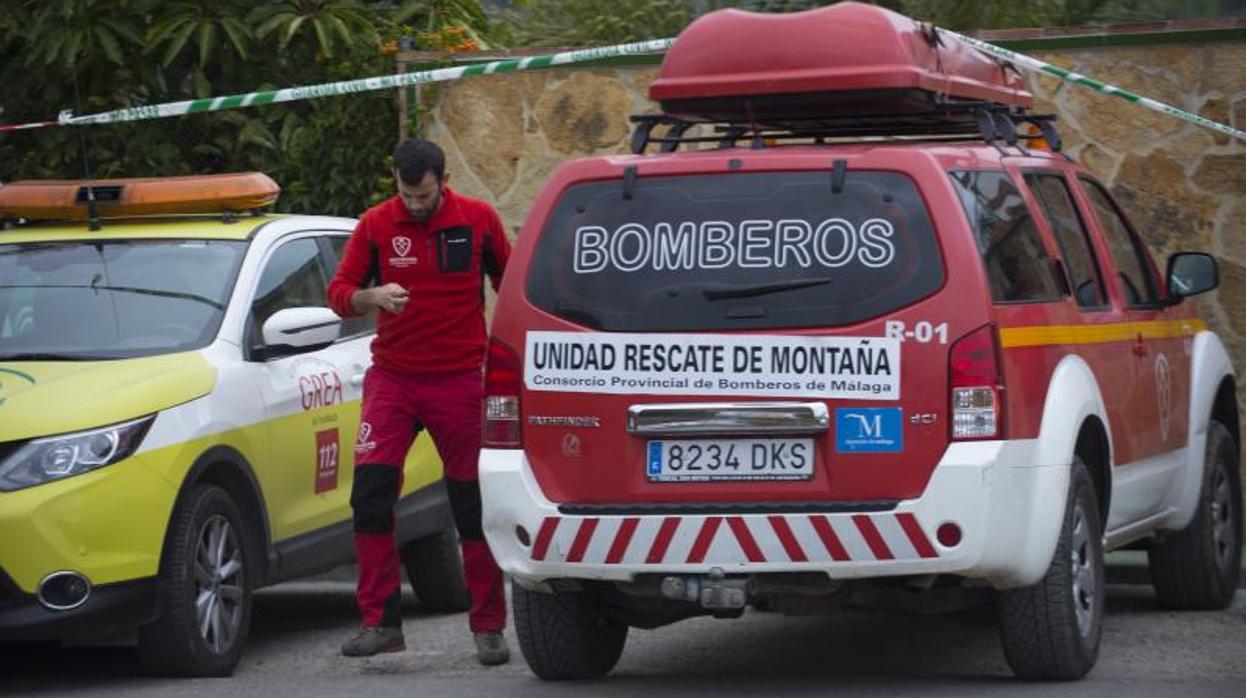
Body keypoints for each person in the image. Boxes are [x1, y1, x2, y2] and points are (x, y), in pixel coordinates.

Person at [327, 138, 512, 664]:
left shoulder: (478, 220)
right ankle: (379, 623)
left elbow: (510, 278)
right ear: (398, 183)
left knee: (471, 505)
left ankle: (489, 627)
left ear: (441, 180)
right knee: (370, 494)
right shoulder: (375, 224)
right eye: (407, 195)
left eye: (424, 195)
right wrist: (371, 297)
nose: (415, 204)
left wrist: (508, 344)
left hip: (458, 380)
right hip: (394, 379)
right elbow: (339, 290)